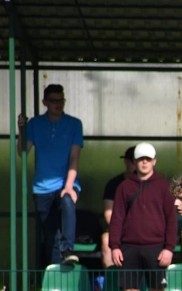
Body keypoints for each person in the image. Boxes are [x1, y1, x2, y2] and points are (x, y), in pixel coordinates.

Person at [16, 84, 84, 266]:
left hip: (66, 182)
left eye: (61, 100)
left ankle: (69, 249)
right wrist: (21, 129)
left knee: (68, 201)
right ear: (45, 102)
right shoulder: (35, 124)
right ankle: (54, 279)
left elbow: (75, 157)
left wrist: (69, 185)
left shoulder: (74, 124)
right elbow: (22, 152)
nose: (58, 104)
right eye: (53, 100)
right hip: (42, 188)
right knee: (51, 234)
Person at [109, 143, 177, 291]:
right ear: (134, 162)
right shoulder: (124, 187)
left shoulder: (164, 186)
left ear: (154, 161)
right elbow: (117, 218)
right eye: (140, 159)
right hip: (129, 248)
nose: (144, 163)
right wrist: (115, 246)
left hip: (156, 248)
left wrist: (169, 248)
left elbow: (172, 219)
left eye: (148, 159)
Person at [100, 146, 137, 268]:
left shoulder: (153, 185)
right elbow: (108, 214)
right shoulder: (114, 184)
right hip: (119, 230)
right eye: (135, 162)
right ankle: (111, 282)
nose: (140, 166)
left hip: (144, 231)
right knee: (106, 240)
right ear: (126, 162)